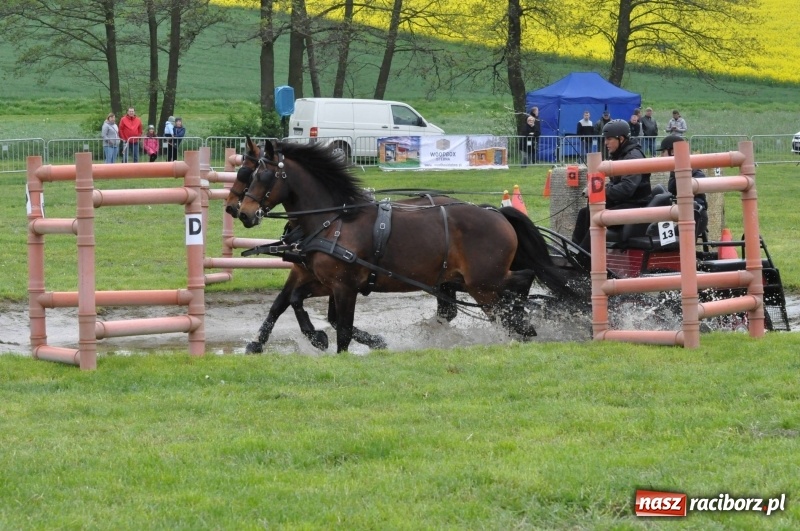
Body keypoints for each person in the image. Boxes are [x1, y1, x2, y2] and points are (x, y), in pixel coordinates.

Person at [571, 119, 651, 252]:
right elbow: (616, 184)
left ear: (621, 139)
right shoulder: (621, 155)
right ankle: (575, 251)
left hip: (635, 205)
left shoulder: (633, 157)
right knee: (584, 212)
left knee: (595, 215)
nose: (605, 143)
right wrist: (597, 189)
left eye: (609, 139)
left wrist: (600, 191)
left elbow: (626, 189)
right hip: (625, 203)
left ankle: (585, 258)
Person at [660, 135, 708, 238]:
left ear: (672, 152)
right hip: (687, 216)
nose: (660, 156)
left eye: (662, 152)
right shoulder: (675, 170)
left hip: (695, 216)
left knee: (667, 243)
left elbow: (700, 178)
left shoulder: (690, 169)